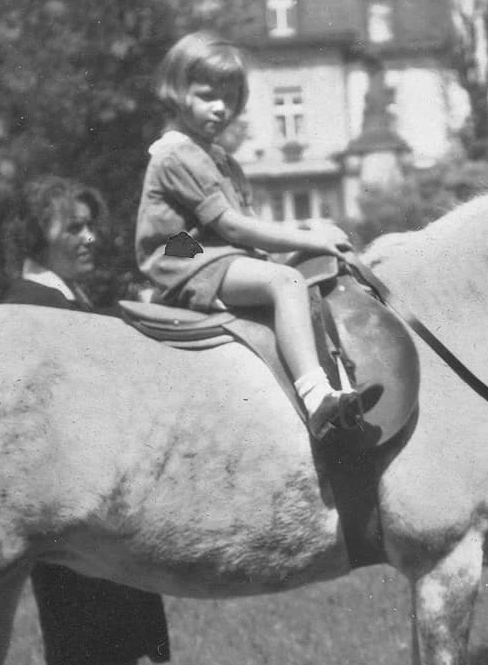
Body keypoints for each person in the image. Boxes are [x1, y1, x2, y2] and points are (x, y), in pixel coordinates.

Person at [3, 176, 200, 665]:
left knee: (75, 656)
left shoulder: (55, 300)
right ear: (38, 237)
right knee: (111, 654)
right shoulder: (39, 307)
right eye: (73, 229)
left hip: (65, 517)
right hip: (85, 516)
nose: (90, 237)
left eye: (90, 224)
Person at [135, 31, 361, 438]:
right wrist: (308, 238)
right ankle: (316, 397)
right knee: (287, 280)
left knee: (313, 273)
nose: (220, 108)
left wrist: (307, 233)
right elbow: (232, 226)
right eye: (207, 95)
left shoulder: (220, 158)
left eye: (230, 98)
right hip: (185, 258)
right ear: (177, 92)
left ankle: (346, 380)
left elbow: (248, 228)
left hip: (220, 255)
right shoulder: (177, 154)